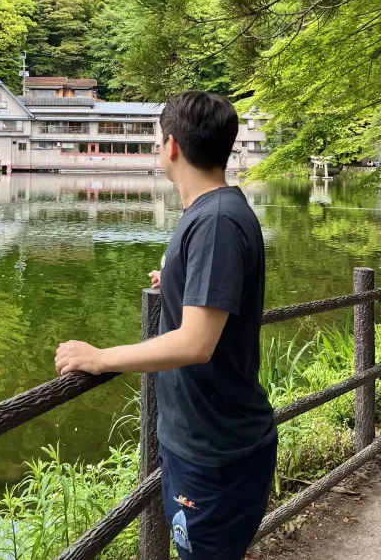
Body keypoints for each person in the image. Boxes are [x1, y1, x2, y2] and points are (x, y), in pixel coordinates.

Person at [55, 91, 276, 560]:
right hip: (209, 440)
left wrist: (100, 358)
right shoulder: (217, 211)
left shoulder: (215, 220)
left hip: (214, 451)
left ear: (171, 146)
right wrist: (176, 279)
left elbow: (197, 342)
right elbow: (213, 295)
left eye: (158, 140)